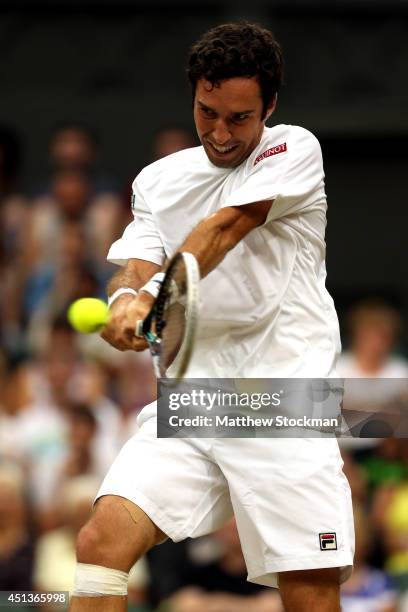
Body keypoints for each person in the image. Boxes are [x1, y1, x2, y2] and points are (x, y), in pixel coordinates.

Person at [69, 23, 354, 612]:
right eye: (207, 112)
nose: (220, 133)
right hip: (195, 401)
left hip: (284, 401)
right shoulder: (159, 179)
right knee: (101, 541)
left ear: (269, 107)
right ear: (193, 96)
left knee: (310, 591)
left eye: (240, 118)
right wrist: (126, 300)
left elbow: (221, 229)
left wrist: (159, 296)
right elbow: (134, 262)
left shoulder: (294, 148)